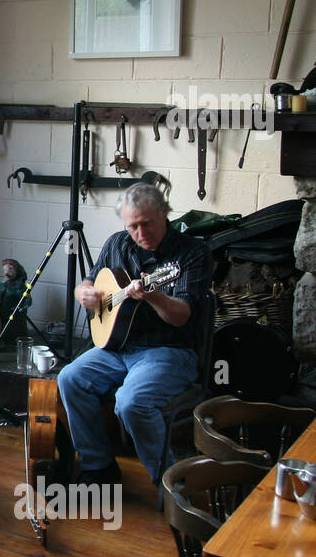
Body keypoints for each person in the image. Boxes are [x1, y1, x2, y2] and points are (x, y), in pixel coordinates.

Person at [57, 183, 210, 486]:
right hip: (116, 347)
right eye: (133, 226)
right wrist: (84, 292)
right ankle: (99, 467)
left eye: (147, 223)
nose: (140, 233)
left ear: (164, 213)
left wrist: (154, 296)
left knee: (130, 402)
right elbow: (89, 282)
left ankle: (171, 482)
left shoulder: (192, 254)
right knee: (70, 378)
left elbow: (182, 317)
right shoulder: (118, 244)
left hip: (168, 351)